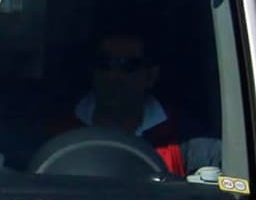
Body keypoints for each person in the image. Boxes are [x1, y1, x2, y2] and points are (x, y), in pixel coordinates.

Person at [62, 27, 187, 175]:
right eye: (104, 63)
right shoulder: (58, 130)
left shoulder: (183, 137)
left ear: (151, 76)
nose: (113, 75)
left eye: (128, 65)